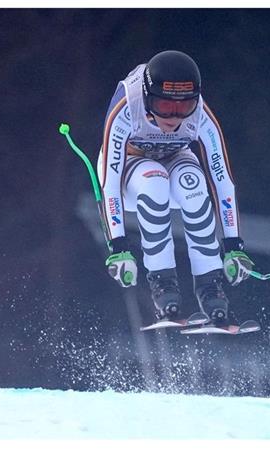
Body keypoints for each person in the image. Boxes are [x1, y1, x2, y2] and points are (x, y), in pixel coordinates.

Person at [97, 50, 254, 326]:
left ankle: (210, 289)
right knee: (154, 179)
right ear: (146, 98)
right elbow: (109, 184)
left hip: (176, 159)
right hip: (131, 169)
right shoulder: (126, 106)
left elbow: (222, 181)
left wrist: (234, 245)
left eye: (183, 108)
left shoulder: (201, 114)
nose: (173, 117)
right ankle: (163, 287)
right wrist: (118, 247)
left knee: (192, 185)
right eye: (164, 107)